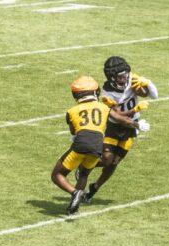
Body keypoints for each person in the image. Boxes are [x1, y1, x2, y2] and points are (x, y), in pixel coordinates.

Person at [51, 76, 150, 215]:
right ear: (94, 92)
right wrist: (138, 124)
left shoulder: (71, 112)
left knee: (57, 175)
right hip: (98, 146)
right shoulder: (104, 108)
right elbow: (121, 119)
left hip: (81, 143)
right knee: (84, 174)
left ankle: (75, 193)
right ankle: (74, 208)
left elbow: (74, 134)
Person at [80, 56, 158, 203]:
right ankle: (83, 167)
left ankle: (93, 189)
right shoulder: (107, 92)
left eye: (125, 74)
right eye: (121, 76)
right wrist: (136, 109)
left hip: (129, 129)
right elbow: (117, 116)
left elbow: (154, 95)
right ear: (112, 77)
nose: (125, 78)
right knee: (107, 160)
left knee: (114, 163)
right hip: (113, 128)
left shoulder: (131, 79)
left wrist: (147, 83)